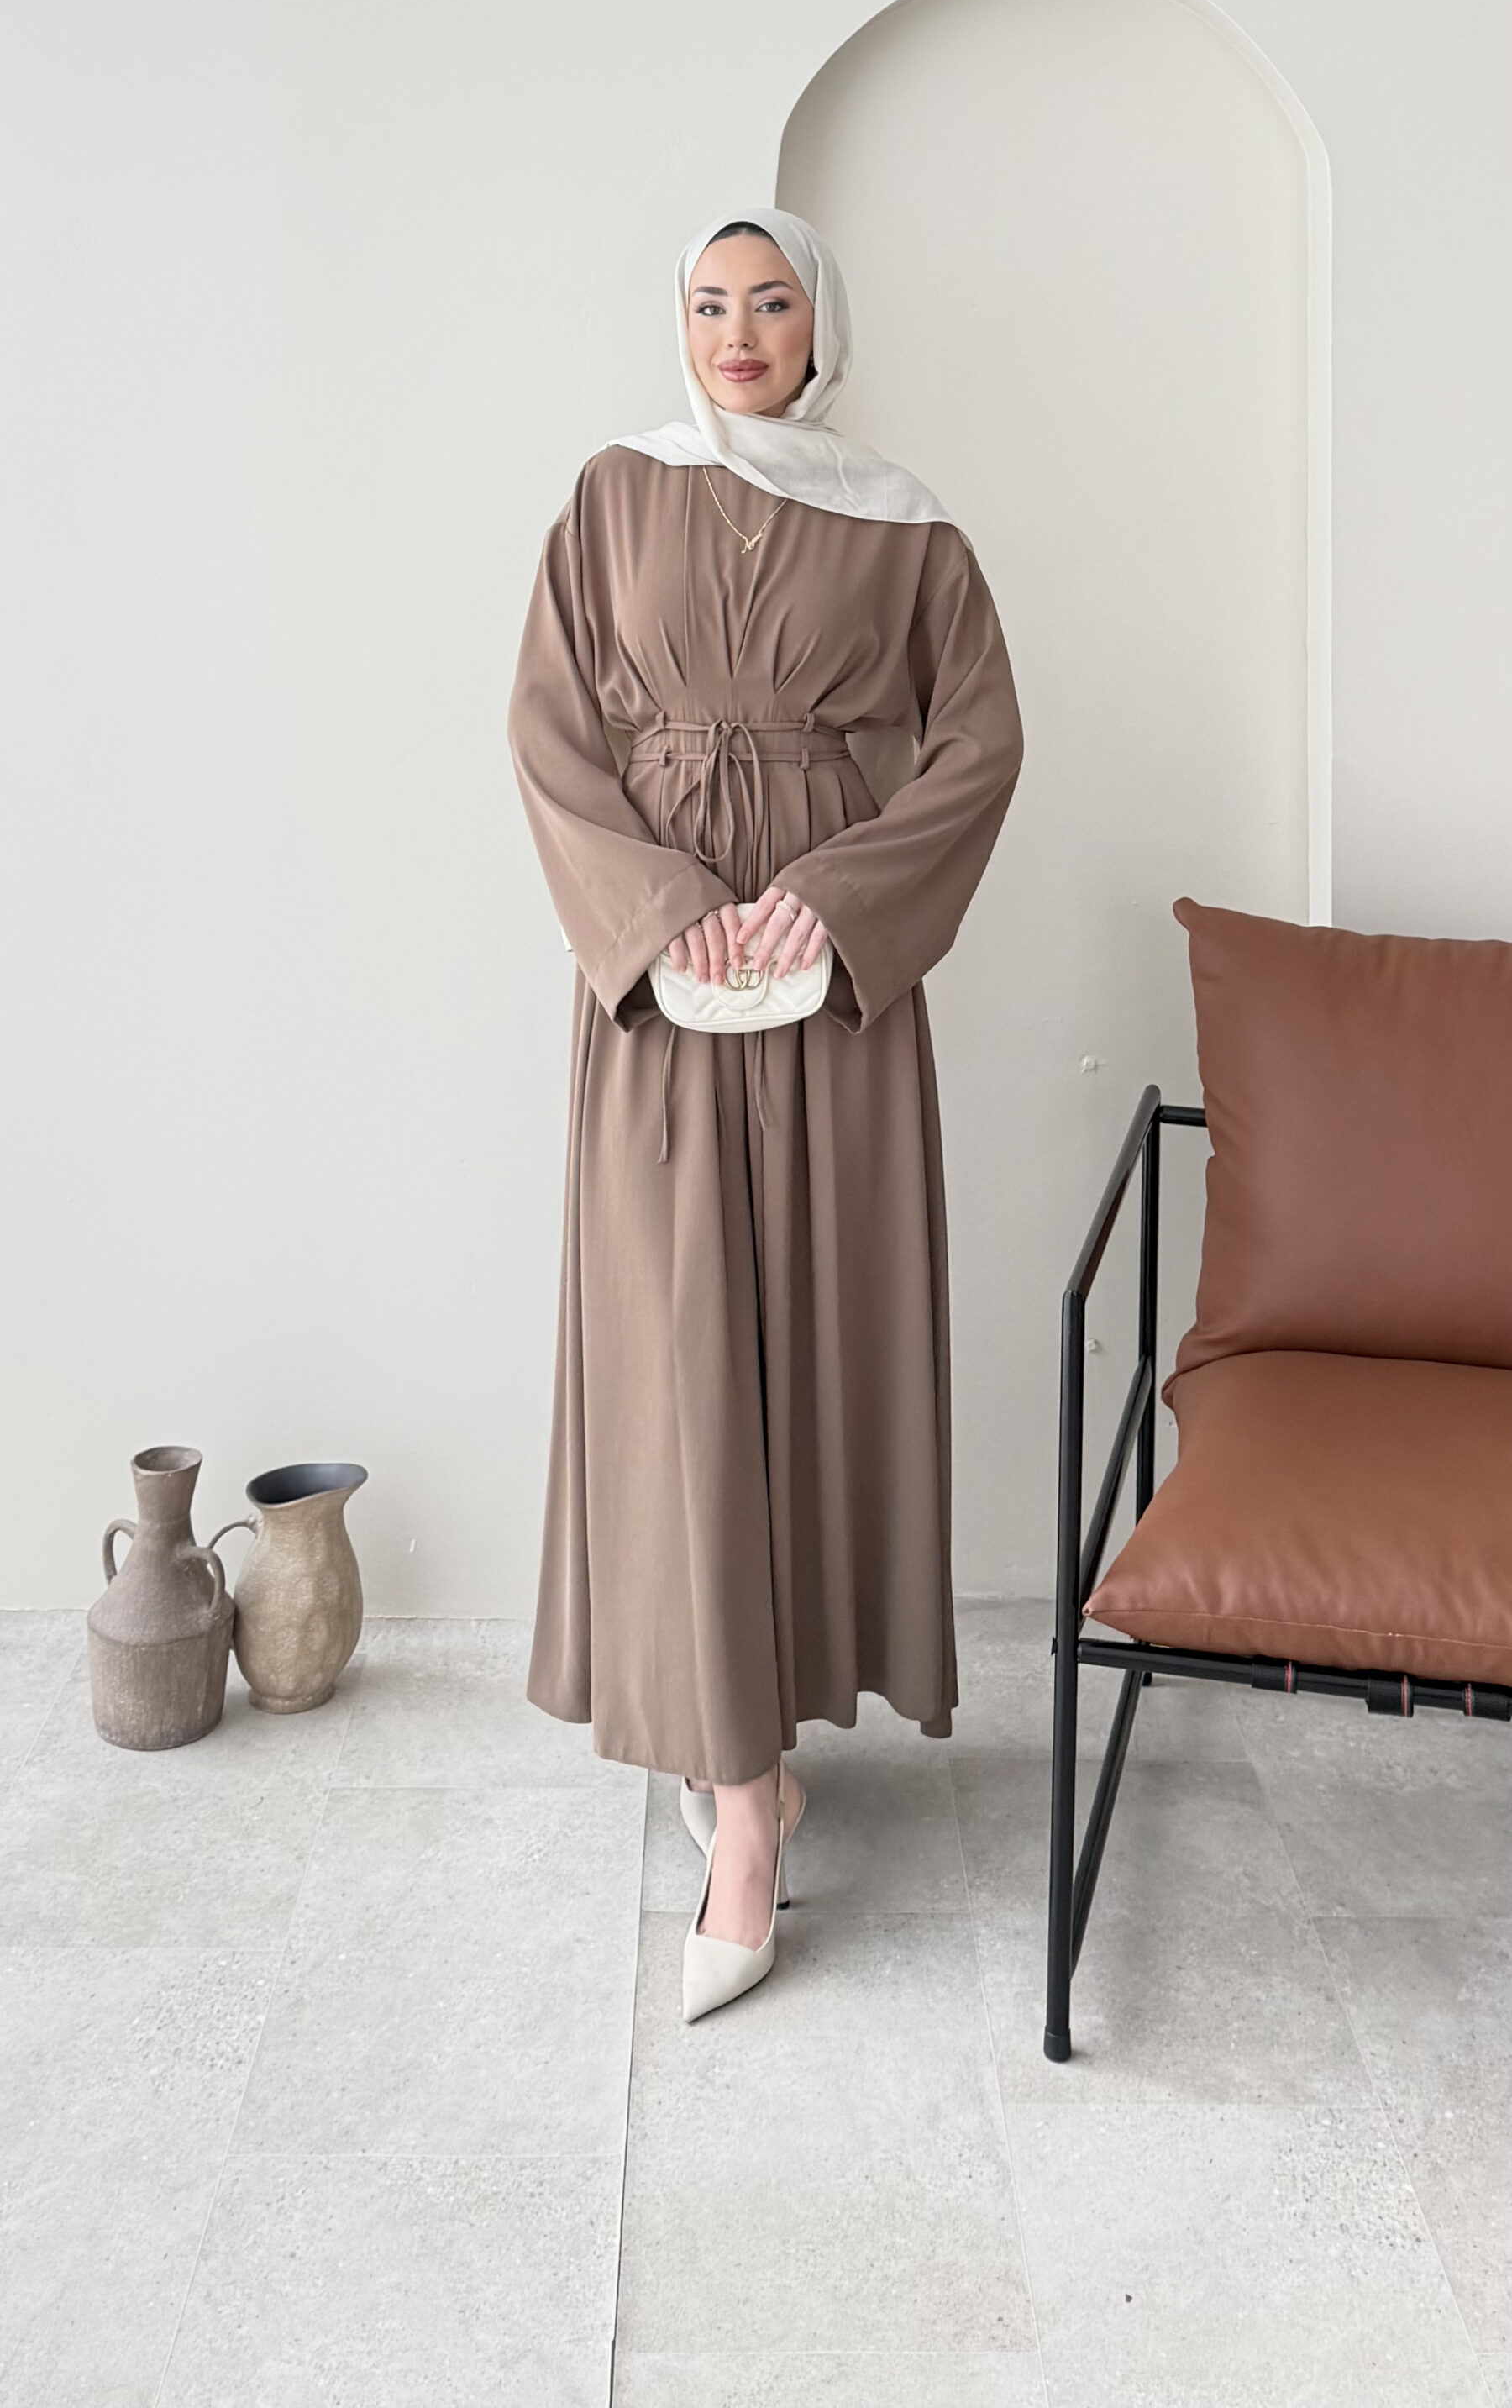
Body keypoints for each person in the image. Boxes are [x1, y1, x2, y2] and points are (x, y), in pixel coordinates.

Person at [507, 206, 1024, 2022]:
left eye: (773, 301)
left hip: (828, 992)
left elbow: (979, 743)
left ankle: (755, 1778)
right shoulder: (610, 496)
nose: (739, 331)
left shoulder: (906, 524)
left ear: (823, 326)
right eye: (711, 302)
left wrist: (838, 898)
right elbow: (553, 736)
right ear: (681, 324)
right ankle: (739, 1792)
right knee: (677, 1363)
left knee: (806, 1349)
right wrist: (661, 917)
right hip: (662, 991)